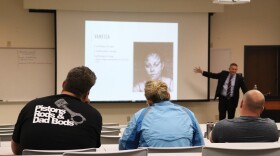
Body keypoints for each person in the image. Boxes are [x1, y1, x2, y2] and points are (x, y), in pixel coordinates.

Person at [11, 66, 102, 155]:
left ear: (63, 84)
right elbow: (92, 150)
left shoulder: (31, 106)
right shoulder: (94, 115)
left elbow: (16, 150)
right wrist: (87, 109)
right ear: (87, 94)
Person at [119, 80, 204, 150]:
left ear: (148, 101)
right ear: (169, 95)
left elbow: (125, 147)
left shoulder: (140, 116)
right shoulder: (188, 114)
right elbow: (200, 146)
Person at [209, 90, 279, 143]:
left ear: (241, 103)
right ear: (262, 109)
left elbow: (211, 139)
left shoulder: (221, 127)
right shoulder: (271, 128)